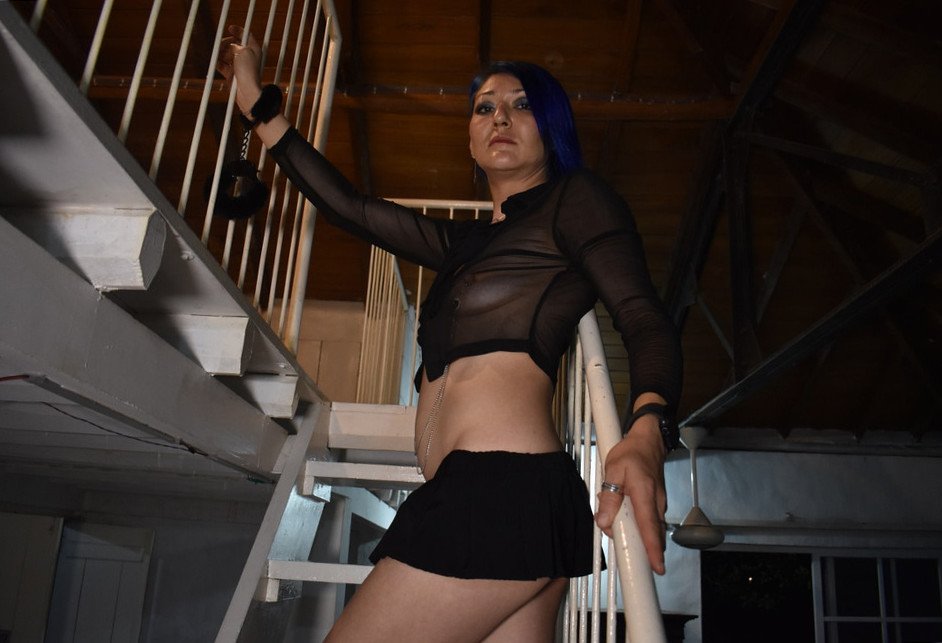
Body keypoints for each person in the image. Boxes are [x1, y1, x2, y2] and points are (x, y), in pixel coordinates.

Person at [218, 25, 682, 643]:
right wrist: (258, 106)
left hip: (499, 491)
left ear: (551, 127)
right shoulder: (462, 245)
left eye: (522, 104)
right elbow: (349, 207)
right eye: (484, 107)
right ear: (469, 137)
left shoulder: (576, 201)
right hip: (483, 496)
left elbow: (644, 317)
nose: (500, 117)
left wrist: (648, 427)